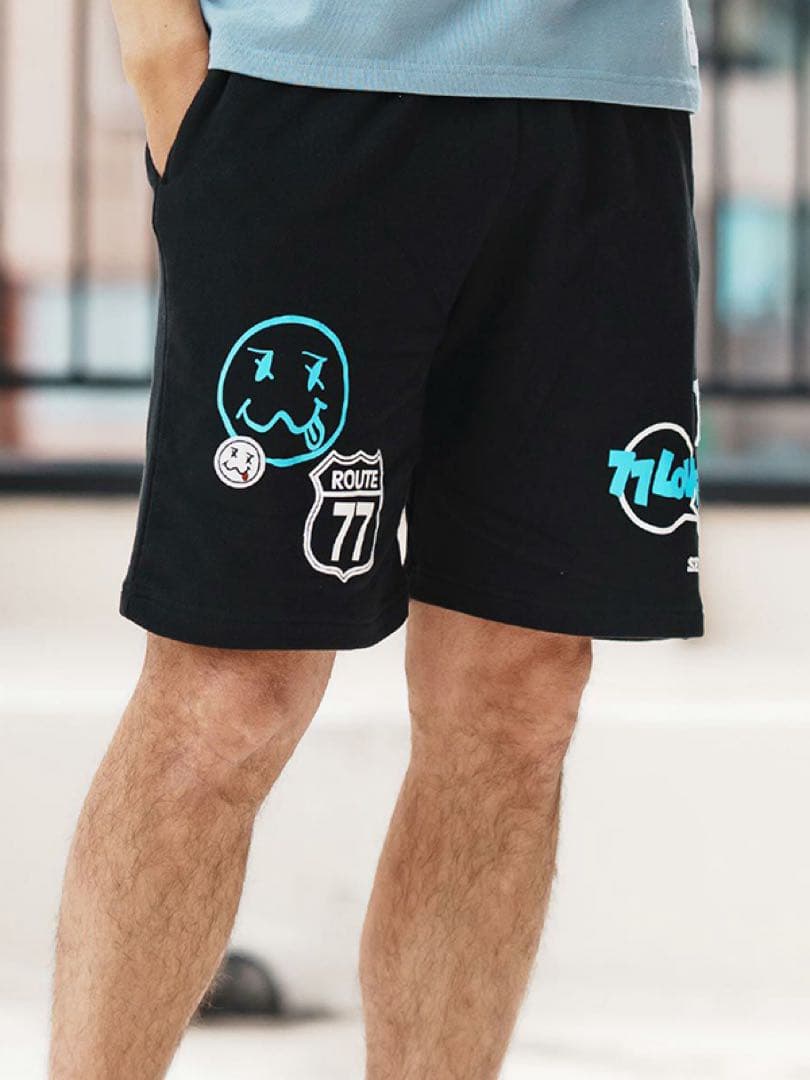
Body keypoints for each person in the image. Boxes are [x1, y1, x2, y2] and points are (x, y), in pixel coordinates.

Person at [50, 2, 703, 1076]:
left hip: (604, 99)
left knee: (519, 697)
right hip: (303, 84)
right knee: (228, 695)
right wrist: (159, 43)